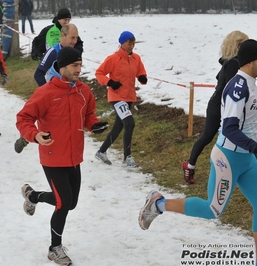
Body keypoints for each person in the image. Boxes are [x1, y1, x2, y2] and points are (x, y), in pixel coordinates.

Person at [138, 39, 257, 266]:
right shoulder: (238, 87)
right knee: (212, 209)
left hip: (247, 159)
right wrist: (255, 147)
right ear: (252, 60)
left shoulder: (253, 83)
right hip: (229, 158)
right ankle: (158, 204)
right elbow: (230, 128)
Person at [17, 47, 108, 266]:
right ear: (63, 67)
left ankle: (33, 196)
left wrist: (94, 125)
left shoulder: (83, 91)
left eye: (80, 65)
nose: (79, 69)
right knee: (63, 202)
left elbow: (88, 115)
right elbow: (23, 118)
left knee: (71, 202)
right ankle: (54, 248)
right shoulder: (46, 93)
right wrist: (35, 135)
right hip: (52, 156)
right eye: (75, 66)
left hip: (74, 156)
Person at [181, 30, 248, 184]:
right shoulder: (233, 63)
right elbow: (233, 89)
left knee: (224, 137)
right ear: (237, 46)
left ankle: (234, 168)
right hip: (218, 106)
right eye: (244, 45)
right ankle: (189, 166)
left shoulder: (232, 61)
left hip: (222, 104)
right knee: (209, 136)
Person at [14, 23, 79, 153]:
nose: (74, 41)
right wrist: (48, 93)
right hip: (53, 96)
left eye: (76, 38)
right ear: (63, 35)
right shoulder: (53, 52)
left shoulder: (74, 52)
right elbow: (38, 74)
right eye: (72, 38)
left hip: (68, 94)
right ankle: (26, 138)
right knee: (48, 124)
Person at [94, 31, 147, 167]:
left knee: (119, 126)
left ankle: (101, 151)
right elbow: (99, 73)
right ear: (122, 43)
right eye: (129, 43)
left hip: (129, 96)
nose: (131, 46)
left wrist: (142, 77)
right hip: (117, 97)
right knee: (129, 124)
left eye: (133, 43)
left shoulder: (136, 58)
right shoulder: (114, 58)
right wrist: (109, 82)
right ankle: (127, 157)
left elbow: (140, 71)